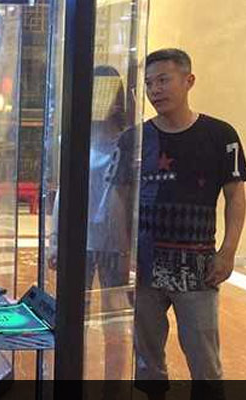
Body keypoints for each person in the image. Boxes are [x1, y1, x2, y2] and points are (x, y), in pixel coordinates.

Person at [115, 49, 246, 396]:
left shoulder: (221, 136)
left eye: (163, 80)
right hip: (144, 266)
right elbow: (120, 201)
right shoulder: (133, 140)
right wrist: (123, 254)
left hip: (199, 267)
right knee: (147, 360)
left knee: (205, 361)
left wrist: (227, 251)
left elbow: (235, 196)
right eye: (148, 83)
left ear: (189, 81)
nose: (155, 89)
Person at [49, 66, 133, 384]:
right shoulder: (73, 138)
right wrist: (55, 240)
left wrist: (130, 246)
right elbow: (63, 193)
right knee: (74, 319)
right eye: (94, 90)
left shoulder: (128, 141)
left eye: (107, 90)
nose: (100, 98)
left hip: (115, 243)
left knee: (115, 321)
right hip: (78, 240)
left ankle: (112, 388)